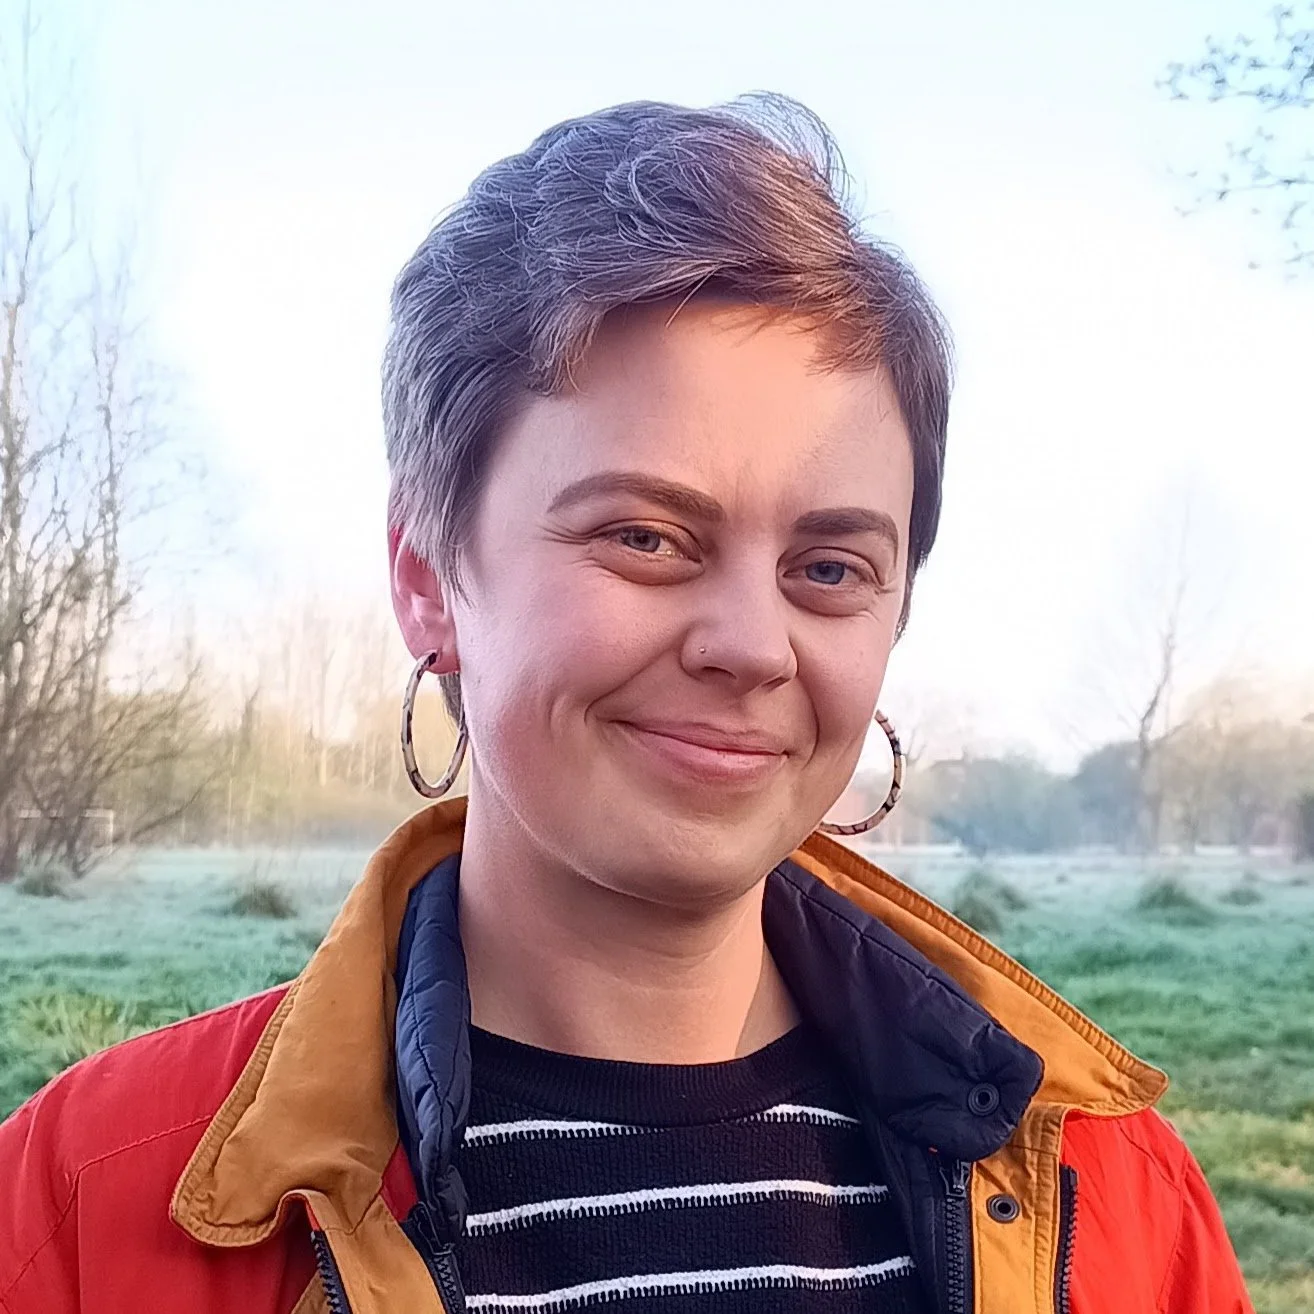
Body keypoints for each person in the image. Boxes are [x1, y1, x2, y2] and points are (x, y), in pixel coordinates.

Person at [0, 95, 1252, 1314]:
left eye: (829, 568)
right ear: (429, 580)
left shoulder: (1117, 1202)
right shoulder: (84, 1210)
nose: (754, 645)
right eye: (647, 537)